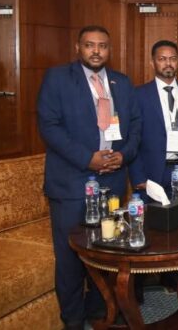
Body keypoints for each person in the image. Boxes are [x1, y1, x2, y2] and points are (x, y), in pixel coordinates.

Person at [37, 25, 141, 329]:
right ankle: (72, 319)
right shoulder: (57, 78)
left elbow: (136, 125)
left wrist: (123, 155)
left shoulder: (122, 82)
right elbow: (49, 126)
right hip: (71, 182)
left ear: (110, 50)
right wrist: (88, 159)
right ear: (78, 47)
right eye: (89, 45)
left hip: (112, 180)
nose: (96, 51)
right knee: (70, 256)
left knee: (106, 250)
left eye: (102, 46)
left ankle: (100, 311)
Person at [130, 40, 178, 200]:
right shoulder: (139, 94)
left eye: (172, 58)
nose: (168, 63)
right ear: (152, 63)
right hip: (153, 172)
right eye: (162, 59)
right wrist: (138, 176)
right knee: (153, 215)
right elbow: (133, 138)